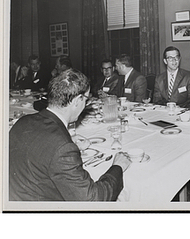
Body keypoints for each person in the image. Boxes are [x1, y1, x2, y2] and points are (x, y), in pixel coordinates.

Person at [9, 68, 131, 201]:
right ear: (78, 100)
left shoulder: (23, 121)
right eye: (86, 100)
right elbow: (93, 199)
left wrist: (68, 141)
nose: (86, 105)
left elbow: (41, 148)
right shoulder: (62, 148)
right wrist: (117, 167)